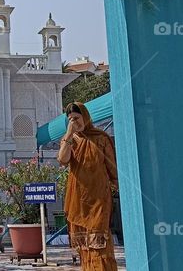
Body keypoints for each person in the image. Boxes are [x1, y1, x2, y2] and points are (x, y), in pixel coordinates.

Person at [57, 102, 119, 271]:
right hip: (78, 201)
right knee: (85, 248)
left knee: (100, 246)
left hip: (99, 199)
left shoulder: (101, 138)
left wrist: (120, 187)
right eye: (70, 119)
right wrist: (69, 134)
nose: (74, 122)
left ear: (85, 116)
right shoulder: (70, 141)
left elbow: (112, 167)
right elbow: (62, 160)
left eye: (76, 118)